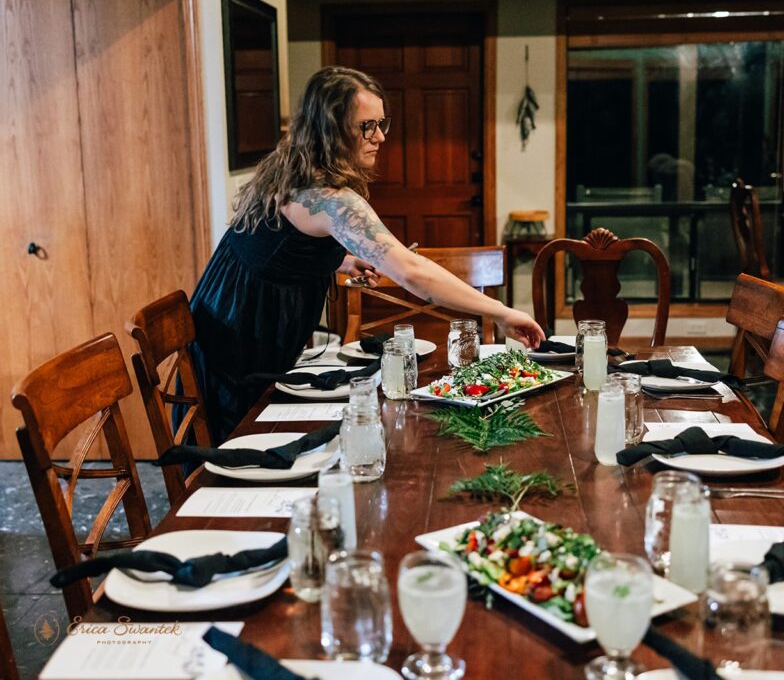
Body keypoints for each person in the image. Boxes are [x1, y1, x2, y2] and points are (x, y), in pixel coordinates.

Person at [188, 66, 544, 443]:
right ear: (330, 128)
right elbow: (413, 273)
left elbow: (277, 247)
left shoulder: (291, 169)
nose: (380, 136)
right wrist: (502, 312)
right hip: (238, 337)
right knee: (243, 449)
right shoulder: (329, 198)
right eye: (366, 126)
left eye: (382, 123)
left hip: (225, 310)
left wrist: (339, 260)